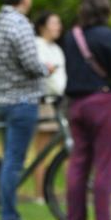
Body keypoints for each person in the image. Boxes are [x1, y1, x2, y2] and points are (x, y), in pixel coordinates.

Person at [0, 0, 54, 220]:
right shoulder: (20, 23)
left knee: (10, 159)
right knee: (14, 162)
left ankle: (8, 214)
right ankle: (8, 219)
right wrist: (46, 68)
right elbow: (29, 62)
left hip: (3, 98)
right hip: (22, 99)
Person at [63, 0, 111, 220]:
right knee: (105, 162)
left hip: (76, 104)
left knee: (78, 163)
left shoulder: (72, 36)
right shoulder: (107, 36)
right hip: (102, 102)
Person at [33, 11, 67, 202]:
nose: (58, 27)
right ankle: (39, 194)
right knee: (42, 151)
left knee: (68, 149)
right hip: (45, 102)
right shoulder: (37, 45)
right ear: (42, 26)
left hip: (60, 102)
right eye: (54, 23)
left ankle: (69, 193)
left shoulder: (57, 49)